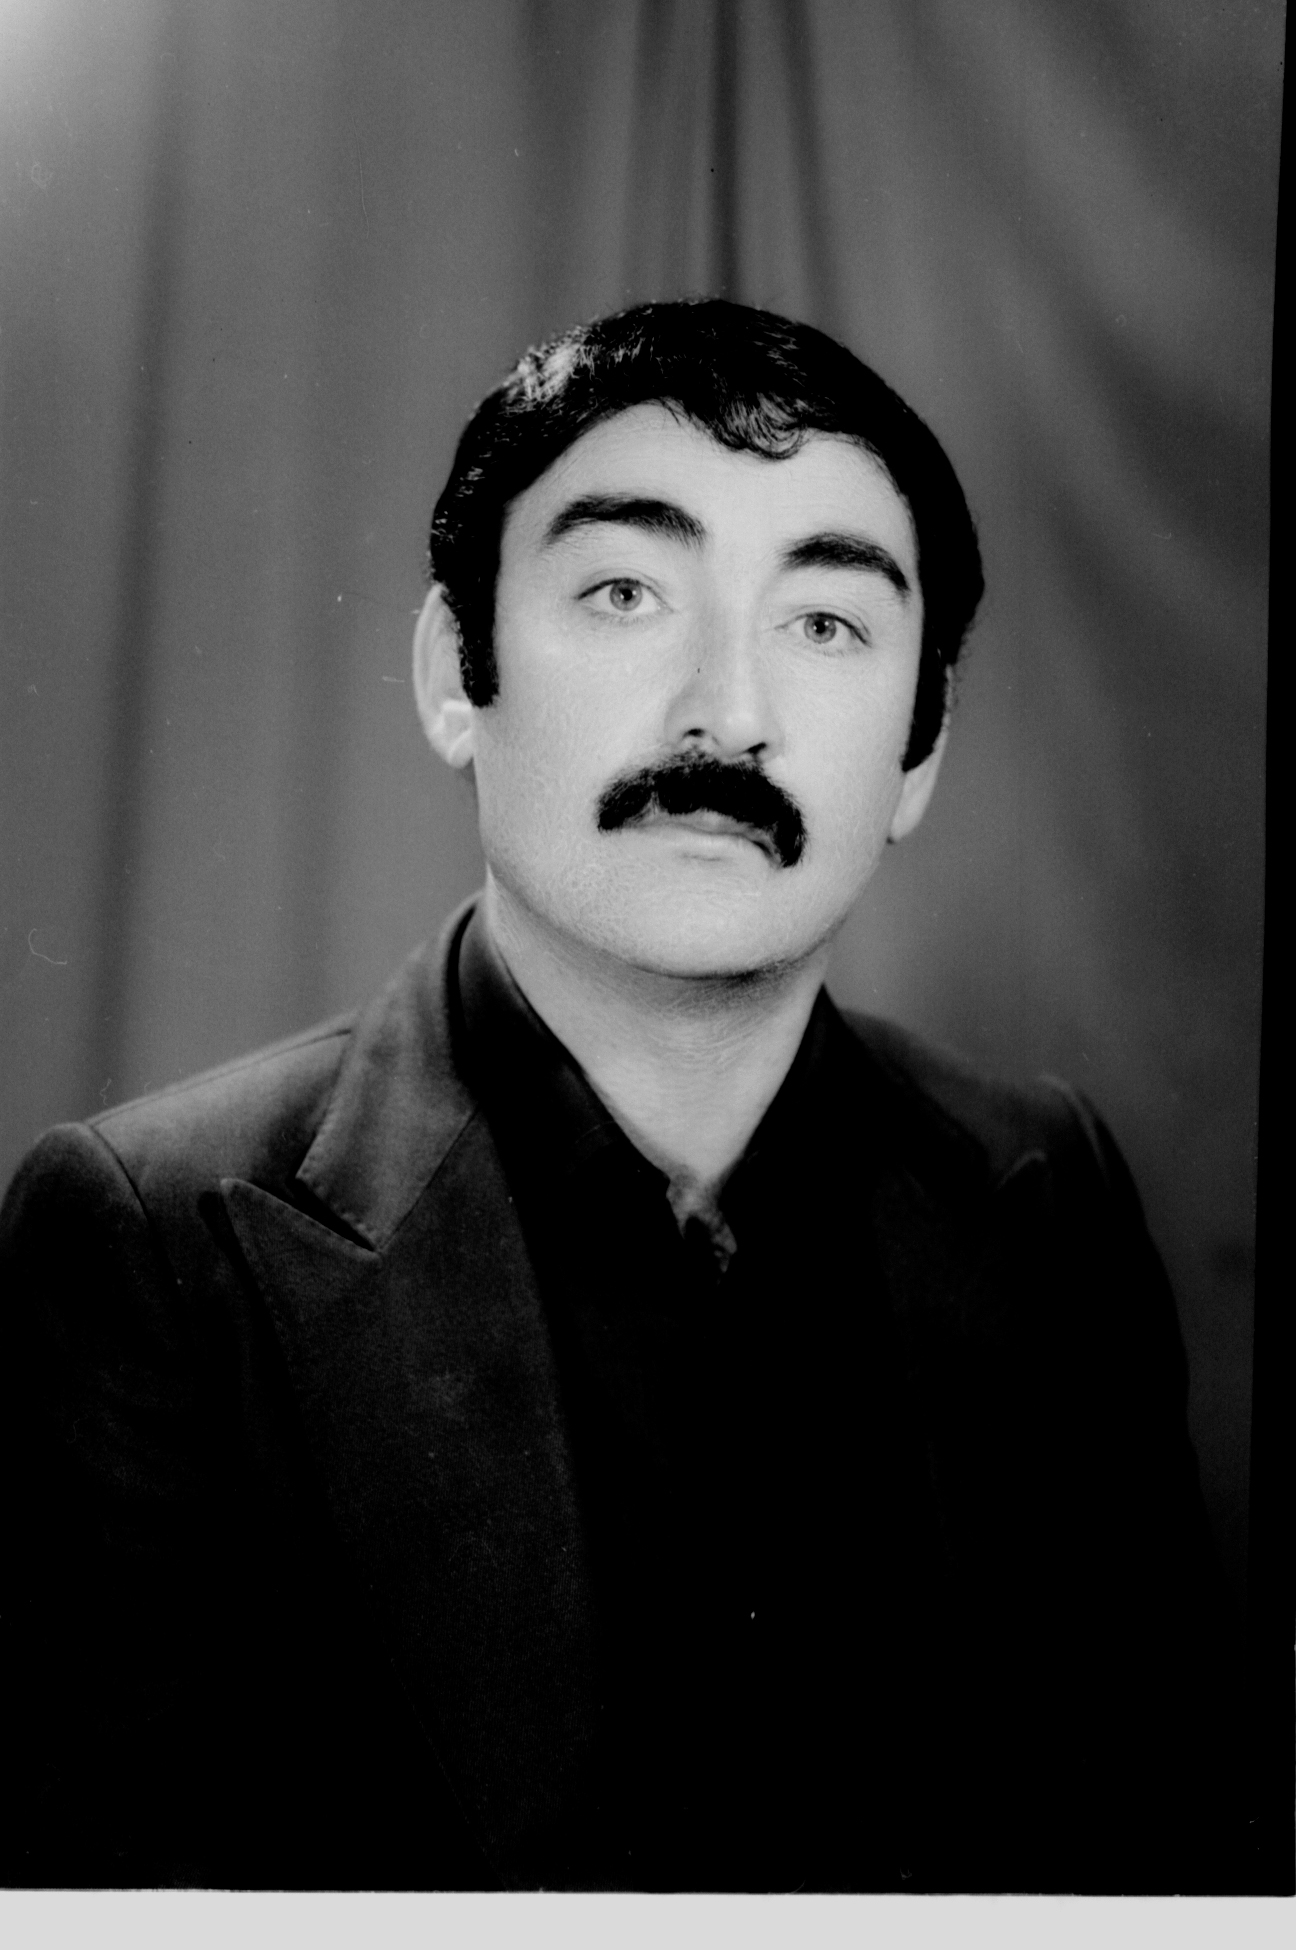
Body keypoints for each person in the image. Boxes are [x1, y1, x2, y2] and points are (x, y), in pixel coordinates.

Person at [1, 300, 1237, 1893]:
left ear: (920, 754)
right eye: (625, 591)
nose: (729, 712)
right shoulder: (152, 1241)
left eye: (827, 623)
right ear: (457, 674)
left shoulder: (1045, 1190)